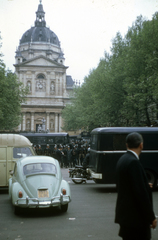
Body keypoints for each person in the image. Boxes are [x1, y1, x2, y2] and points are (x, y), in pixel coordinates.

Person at [115, 132, 157, 240]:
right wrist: (151, 217)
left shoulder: (123, 159)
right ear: (141, 145)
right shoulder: (134, 162)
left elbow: (126, 185)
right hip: (135, 219)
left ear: (127, 145)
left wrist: (143, 184)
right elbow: (141, 194)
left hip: (126, 217)